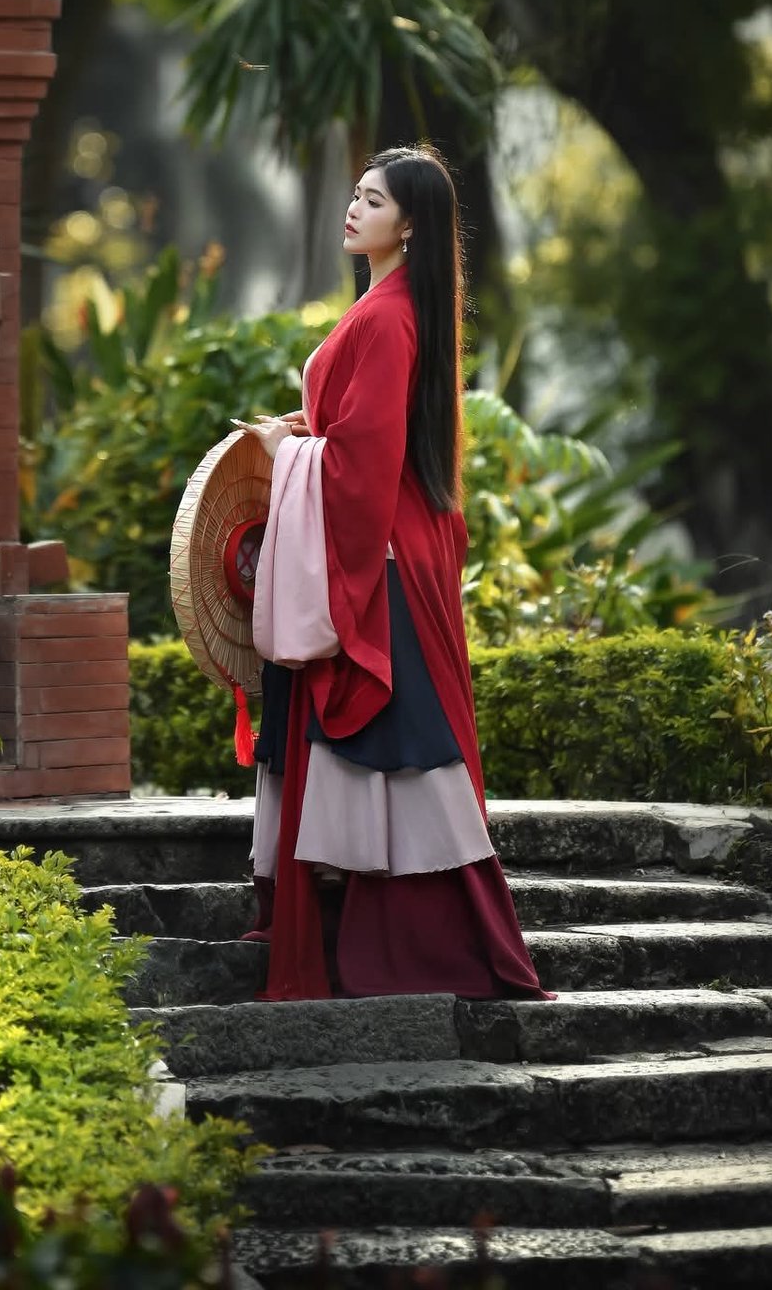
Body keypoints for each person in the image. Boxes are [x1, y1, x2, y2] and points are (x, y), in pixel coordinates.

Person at [236, 145, 549, 1002]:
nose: (354, 208)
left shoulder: (385, 317)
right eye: (356, 194)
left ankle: (409, 935)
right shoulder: (402, 307)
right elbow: (367, 437)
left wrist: (286, 451)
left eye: (373, 201)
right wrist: (309, 434)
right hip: (405, 541)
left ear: (410, 224)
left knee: (392, 727)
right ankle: (377, 916)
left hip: (381, 549)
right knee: (398, 730)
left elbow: (363, 466)